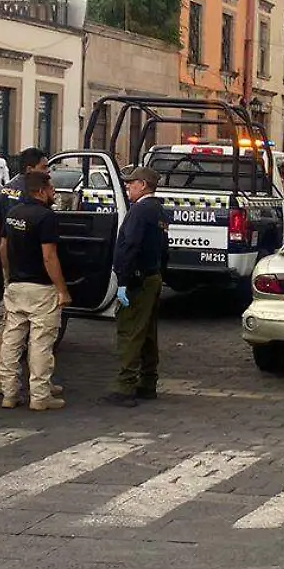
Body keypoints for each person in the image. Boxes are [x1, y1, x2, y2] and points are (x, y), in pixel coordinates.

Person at [0, 171, 70, 411]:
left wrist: (10, 276)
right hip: (41, 288)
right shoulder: (46, 217)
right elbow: (49, 257)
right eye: (51, 189)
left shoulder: (13, 213)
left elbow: (3, 247)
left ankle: (9, 393)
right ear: (40, 191)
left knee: (12, 340)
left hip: (16, 285)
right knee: (40, 343)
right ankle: (40, 396)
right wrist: (62, 289)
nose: (54, 192)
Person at [106, 166, 169, 406]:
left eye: (131, 184)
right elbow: (164, 249)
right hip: (152, 276)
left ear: (143, 185)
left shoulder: (140, 211)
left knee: (130, 331)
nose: (128, 187)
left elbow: (130, 245)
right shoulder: (159, 210)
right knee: (148, 333)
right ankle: (148, 381)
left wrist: (123, 280)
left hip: (138, 279)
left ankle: (125, 387)